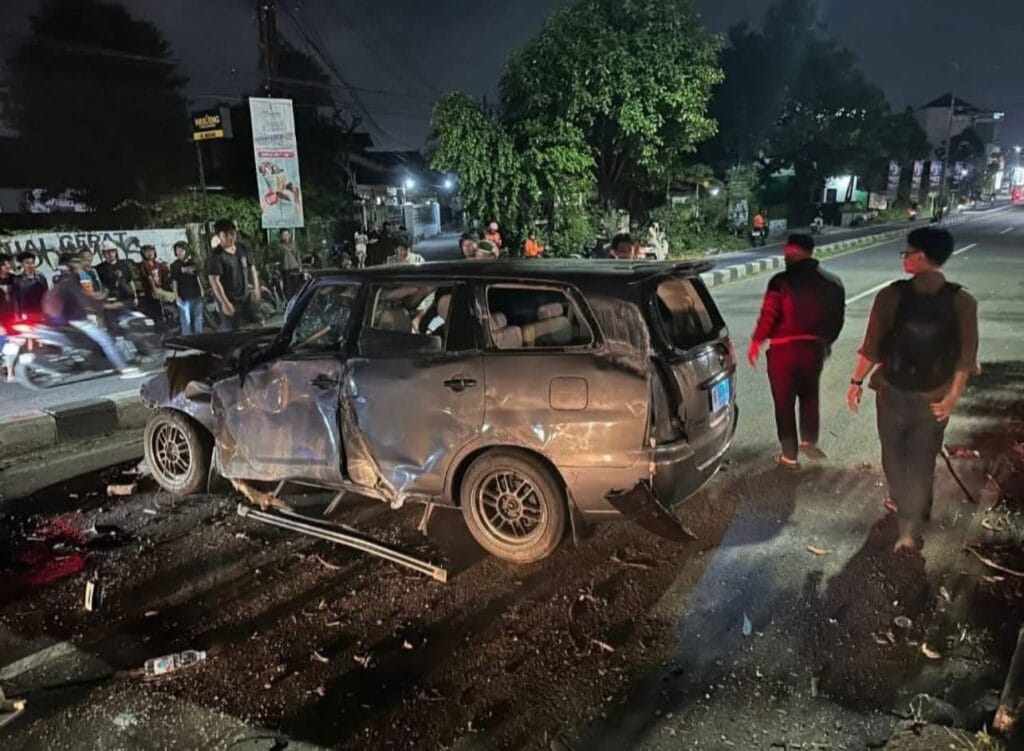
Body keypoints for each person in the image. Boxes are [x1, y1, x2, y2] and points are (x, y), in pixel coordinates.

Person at [847, 227, 978, 553]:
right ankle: (914, 523)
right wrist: (951, 397)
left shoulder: (891, 296)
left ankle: (897, 498)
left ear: (921, 256)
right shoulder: (963, 301)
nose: (904, 257)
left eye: (907, 252)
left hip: (893, 392)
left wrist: (855, 382)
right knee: (923, 457)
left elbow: (871, 349)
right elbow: (966, 359)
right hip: (936, 397)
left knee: (893, 451)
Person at [749, 234, 845, 469]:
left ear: (796, 251)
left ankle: (789, 456)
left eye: (788, 251)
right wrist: (825, 342)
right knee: (809, 395)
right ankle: (808, 440)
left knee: (784, 402)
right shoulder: (832, 282)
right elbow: (837, 319)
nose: (786, 255)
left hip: (783, 351)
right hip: (813, 350)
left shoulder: (780, 282)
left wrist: (756, 342)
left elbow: (769, 315)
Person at [43, 253, 138, 376]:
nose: (81, 263)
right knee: (105, 340)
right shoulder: (74, 277)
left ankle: (102, 362)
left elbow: (89, 292)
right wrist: (104, 303)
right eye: (77, 261)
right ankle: (124, 368)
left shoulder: (66, 277)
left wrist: (99, 297)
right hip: (78, 317)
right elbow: (86, 296)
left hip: (62, 318)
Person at [207, 218, 262, 331]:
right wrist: (224, 303)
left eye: (232, 233)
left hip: (246, 298)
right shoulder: (216, 256)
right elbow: (214, 281)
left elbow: (252, 269)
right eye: (225, 235)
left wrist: (256, 289)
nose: (230, 237)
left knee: (258, 326)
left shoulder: (243, 249)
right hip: (230, 300)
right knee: (234, 333)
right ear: (219, 236)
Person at [169, 241, 204, 335]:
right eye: (177, 251)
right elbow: (174, 282)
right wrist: (176, 296)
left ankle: (199, 338)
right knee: (186, 321)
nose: (179, 253)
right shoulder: (174, 265)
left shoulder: (193, 262)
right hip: (183, 297)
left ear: (186, 251)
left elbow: (197, 277)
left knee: (198, 319)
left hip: (196, 294)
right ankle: (187, 340)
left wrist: (201, 289)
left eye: (181, 250)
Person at [138, 245, 170, 325]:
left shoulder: (158, 264)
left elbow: (165, 274)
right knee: (156, 311)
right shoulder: (144, 265)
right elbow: (149, 278)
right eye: (147, 252)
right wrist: (154, 289)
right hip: (151, 292)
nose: (150, 253)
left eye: (152, 251)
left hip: (161, 289)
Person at [12, 251, 49, 319]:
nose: (30, 265)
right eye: (27, 263)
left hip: (40, 313)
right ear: (22, 264)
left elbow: (46, 296)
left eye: (32, 263)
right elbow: (16, 300)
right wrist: (17, 315)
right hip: (25, 314)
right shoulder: (17, 280)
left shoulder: (41, 278)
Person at [276, 229, 304, 297]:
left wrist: (300, 266)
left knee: (296, 286)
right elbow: (278, 256)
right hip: (286, 269)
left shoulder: (294, 244)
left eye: (287, 235)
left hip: (294, 268)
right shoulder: (279, 246)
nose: (285, 237)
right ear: (281, 236)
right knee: (288, 287)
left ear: (289, 235)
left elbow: (297, 255)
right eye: (283, 235)